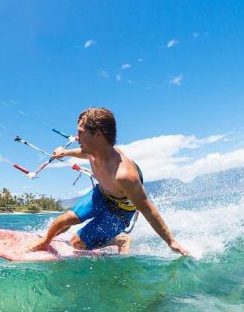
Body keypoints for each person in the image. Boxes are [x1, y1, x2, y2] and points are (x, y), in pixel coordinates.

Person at [28, 107, 189, 255]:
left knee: (76, 243)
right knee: (65, 220)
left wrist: (171, 242)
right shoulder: (93, 150)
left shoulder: (124, 175)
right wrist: (65, 152)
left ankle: (120, 240)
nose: (77, 138)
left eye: (81, 133)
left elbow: (148, 210)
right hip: (102, 193)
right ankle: (45, 241)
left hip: (120, 211)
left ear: (97, 134)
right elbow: (84, 153)